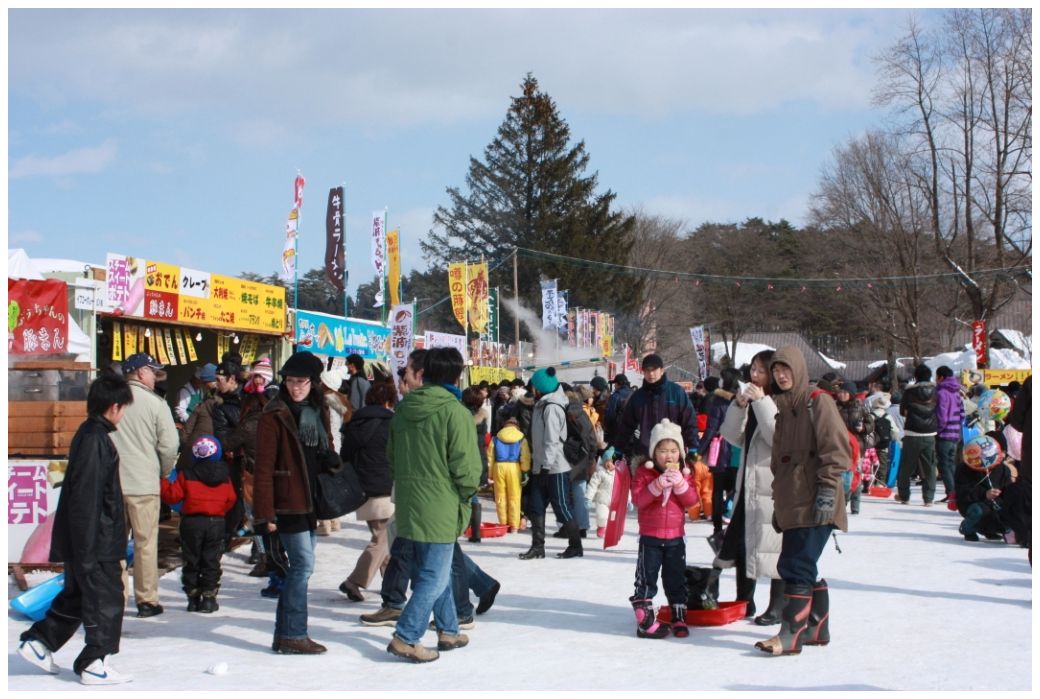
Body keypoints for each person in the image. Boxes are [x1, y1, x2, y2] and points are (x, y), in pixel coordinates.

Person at [17, 374, 135, 685]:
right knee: (106, 599)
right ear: (113, 407)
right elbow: (86, 499)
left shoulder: (90, 434)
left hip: (90, 540)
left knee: (78, 597)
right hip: (95, 542)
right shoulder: (96, 440)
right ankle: (95, 661)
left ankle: (39, 642)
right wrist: (86, 550)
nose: (123, 415)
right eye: (123, 408)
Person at [385, 347, 482, 663]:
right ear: (455, 376)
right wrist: (466, 495)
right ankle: (406, 636)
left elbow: (391, 457)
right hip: (441, 503)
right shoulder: (456, 412)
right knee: (435, 577)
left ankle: (449, 630)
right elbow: (467, 469)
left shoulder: (403, 410)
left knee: (430, 570)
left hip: (411, 503)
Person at [755, 346, 850, 656]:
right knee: (804, 564)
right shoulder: (783, 409)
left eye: (787, 369)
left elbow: (836, 449)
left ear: (798, 370)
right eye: (777, 371)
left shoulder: (817, 401)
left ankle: (790, 633)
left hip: (815, 499)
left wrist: (826, 489)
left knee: (796, 565)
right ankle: (816, 628)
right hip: (793, 501)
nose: (782, 375)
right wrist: (780, 507)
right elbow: (779, 465)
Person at [253, 351, 332, 655]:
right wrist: (265, 513)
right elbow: (262, 467)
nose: (295, 387)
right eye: (290, 381)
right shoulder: (274, 414)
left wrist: (331, 460)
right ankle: (294, 633)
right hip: (287, 501)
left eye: (301, 381)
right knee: (302, 565)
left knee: (301, 566)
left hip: (311, 499)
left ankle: (286, 634)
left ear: (313, 382)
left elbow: (325, 449)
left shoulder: (318, 408)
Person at [108, 352, 179, 618]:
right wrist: (161, 470)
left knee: (113, 545)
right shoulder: (155, 403)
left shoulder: (112, 401)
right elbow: (170, 445)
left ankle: (115, 598)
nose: (155, 376)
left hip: (112, 485)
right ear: (140, 372)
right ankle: (146, 600)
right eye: (152, 371)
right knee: (145, 543)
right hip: (144, 485)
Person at [359, 349, 426, 628]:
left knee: (429, 558)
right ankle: (394, 602)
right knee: (397, 546)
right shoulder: (399, 416)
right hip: (397, 490)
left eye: (405, 375)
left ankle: (448, 618)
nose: (402, 384)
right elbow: (394, 456)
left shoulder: (421, 411)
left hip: (412, 493)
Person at [717, 349, 783, 625]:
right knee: (744, 543)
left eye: (760, 370)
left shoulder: (782, 401)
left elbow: (778, 438)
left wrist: (762, 402)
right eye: (753, 369)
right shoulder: (754, 401)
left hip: (774, 484)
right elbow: (732, 437)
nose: (754, 375)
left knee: (774, 545)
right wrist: (739, 406)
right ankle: (745, 599)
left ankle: (778, 605)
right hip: (749, 482)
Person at [630, 419, 699, 639]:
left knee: (675, 578)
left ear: (680, 452)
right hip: (650, 537)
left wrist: (681, 485)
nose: (668, 456)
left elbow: (691, 501)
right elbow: (639, 500)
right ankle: (644, 617)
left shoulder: (685, 473)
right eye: (662, 450)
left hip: (675, 538)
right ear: (653, 453)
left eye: (673, 451)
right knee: (646, 577)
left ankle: (678, 615)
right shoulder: (644, 472)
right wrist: (657, 485)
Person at [160, 435, 236, 613]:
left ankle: (193, 597)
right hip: (216, 522)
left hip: (192, 522)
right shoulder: (225, 475)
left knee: (191, 558)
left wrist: (163, 482)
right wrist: (219, 510)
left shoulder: (186, 474)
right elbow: (231, 498)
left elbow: (173, 496)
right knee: (211, 559)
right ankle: (209, 597)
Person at [338, 380, 396, 602]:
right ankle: (354, 581)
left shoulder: (355, 423)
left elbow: (345, 455)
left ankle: (391, 590)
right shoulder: (392, 423)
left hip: (361, 488)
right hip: (386, 488)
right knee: (384, 539)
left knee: (383, 538)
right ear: (390, 401)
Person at [520, 367, 584, 560]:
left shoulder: (552, 407)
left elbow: (552, 440)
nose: (531, 390)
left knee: (562, 507)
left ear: (540, 388)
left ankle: (575, 546)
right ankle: (538, 546)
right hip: (542, 465)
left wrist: (545, 466)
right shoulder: (543, 404)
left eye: (533, 386)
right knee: (536, 506)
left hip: (554, 467)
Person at [614, 354, 697, 468]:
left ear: (662, 370)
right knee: (645, 485)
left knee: (674, 484)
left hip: (672, 454)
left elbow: (689, 421)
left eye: (654, 370)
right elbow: (626, 426)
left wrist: (693, 448)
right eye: (647, 370)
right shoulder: (638, 397)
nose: (651, 374)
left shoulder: (676, 392)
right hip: (646, 455)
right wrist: (618, 449)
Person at [699, 371, 739, 548]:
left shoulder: (718, 402)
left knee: (717, 490)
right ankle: (733, 523)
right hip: (739, 452)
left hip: (720, 451)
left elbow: (711, 428)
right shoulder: (745, 400)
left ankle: (717, 530)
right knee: (737, 491)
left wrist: (699, 451)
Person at [954, 434, 1015, 542]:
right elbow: (962, 492)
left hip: (995, 504)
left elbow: (1008, 492)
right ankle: (968, 529)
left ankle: (991, 530)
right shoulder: (964, 468)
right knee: (978, 511)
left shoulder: (1003, 470)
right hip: (972, 504)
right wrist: (984, 494)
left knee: (1010, 513)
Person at [317, 369, 353, 537]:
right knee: (332, 483)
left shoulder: (323, 400)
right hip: (337, 445)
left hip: (325, 445)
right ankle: (335, 520)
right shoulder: (340, 400)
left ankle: (324, 523)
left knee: (322, 485)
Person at [897, 365, 938, 506]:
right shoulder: (936, 391)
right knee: (930, 467)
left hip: (912, 433)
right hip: (930, 434)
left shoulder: (909, 392)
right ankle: (928, 498)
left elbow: (902, 411)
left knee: (906, 467)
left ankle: (904, 496)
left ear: (916, 376)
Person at [487, 416, 531, 532]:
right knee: (514, 497)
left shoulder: (495, 438)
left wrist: (490, 474)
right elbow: (525, 457)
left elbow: (490, 458)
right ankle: (514, 526)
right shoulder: (521, 438)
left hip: (499, 467)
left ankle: (503, 524)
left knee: (500, 497)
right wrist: (525, 472)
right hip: (514, 468)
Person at [935, 366, 965, 503]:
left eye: (937, 377)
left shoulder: (942, 392)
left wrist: (938, 430)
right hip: (955, 433)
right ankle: (956, 492)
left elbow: (942, 416)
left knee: (944, 465)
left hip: (945, 434)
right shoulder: (957, 392)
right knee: (951, 463)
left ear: (941, 377)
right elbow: (963, 414)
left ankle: (951, 492)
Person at [585, 447, 617, 537]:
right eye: (606, 461)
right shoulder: (600, 473)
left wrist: (628, 500)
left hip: (614, 502)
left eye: (610, 461)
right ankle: (601, 527)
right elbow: (592, 486)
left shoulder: (619, 475)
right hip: (601, 500)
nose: (608, 464)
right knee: (602, 516)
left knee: (613, 519)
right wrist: (588, 498)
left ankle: (611, 530)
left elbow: (625, 489)